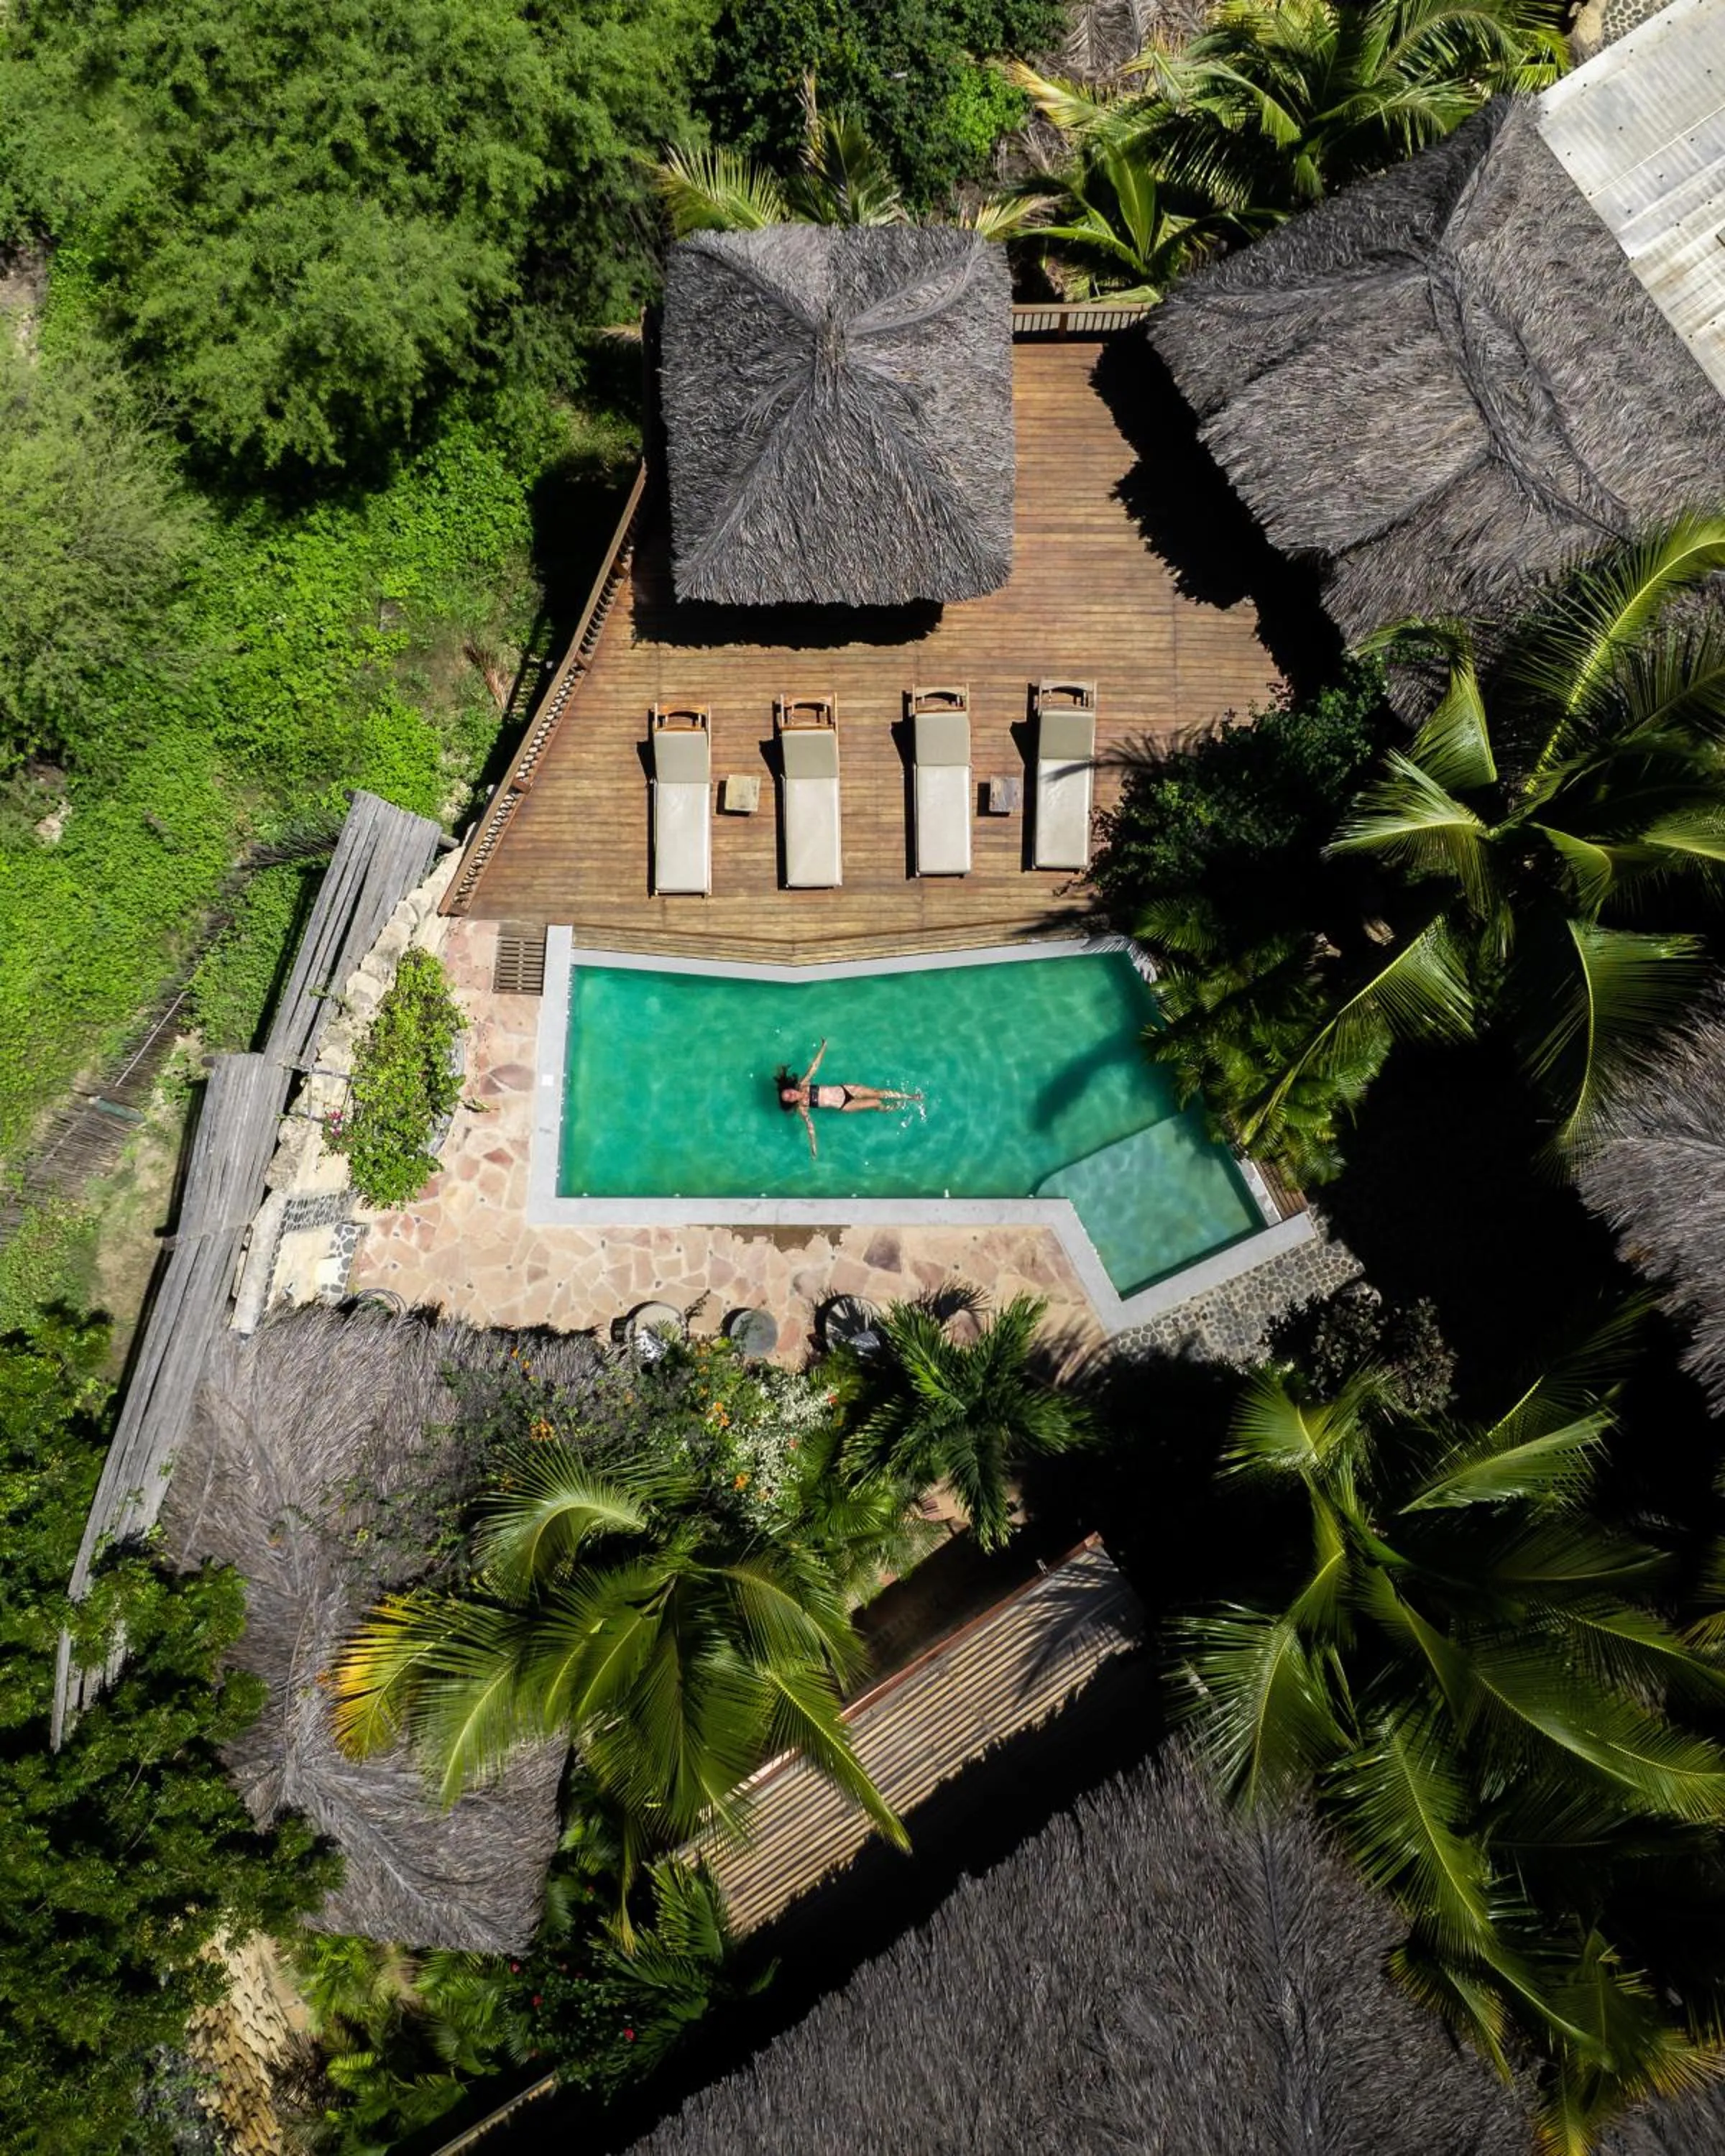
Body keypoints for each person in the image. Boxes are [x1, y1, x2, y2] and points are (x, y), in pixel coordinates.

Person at [776, 1039, 921, 1158]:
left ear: (790, 1088)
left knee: (879, 1093)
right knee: (876, 1103)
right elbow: (810, 1127)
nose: (790, 1095)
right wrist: (813, 1146)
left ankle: (910, 1097)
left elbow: (814, 1067)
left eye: (788, 1092)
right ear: (791, 1102)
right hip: (845, 1105)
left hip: (846, 1089)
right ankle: (888, 1108)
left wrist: (823, 1048)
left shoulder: (803, 1084)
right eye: (788, 1098)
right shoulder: (802, 1108)